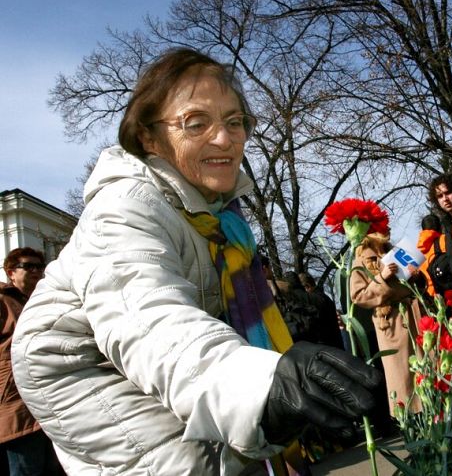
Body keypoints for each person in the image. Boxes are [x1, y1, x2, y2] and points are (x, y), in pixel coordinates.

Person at [10, 48, 380, 475]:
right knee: (183, 462)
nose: (224, 139)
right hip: (79, 364)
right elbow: (147, 319)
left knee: (238, 451)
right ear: (150, 138)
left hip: (158, 351)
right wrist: (261, 385)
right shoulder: (126, 206)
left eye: (234, 121)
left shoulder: (221, 216)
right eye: (196, 122)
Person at [1, 248, 61, 476]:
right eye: (28, 266)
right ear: (11, 272)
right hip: (18, 408)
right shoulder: (3, 301)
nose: (36, 271)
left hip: (51, 404)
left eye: (40, 266)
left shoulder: (45, 301)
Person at [350, 229, 423, 416]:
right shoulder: (361, 260)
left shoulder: (397, 251)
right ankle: (409, 420)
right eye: (382, 227)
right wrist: (382, 277)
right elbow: (358, 296)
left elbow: (411, 284)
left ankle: (431, 411)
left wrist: (416, 276)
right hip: (391, 322)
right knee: (401, 375)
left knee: (425, 366)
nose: (388, 230)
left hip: (415, 317)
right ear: (370, 233)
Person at [298, 272, 344, 350]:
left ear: (307, 287)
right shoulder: (323, 297)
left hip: (328, 346)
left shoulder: (317, 300)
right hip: (334, 346)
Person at [416, 214, 452, 298]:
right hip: (451, 293)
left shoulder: (418, 251)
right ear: (440, 226)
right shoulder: (446, 240)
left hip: (431, 298)